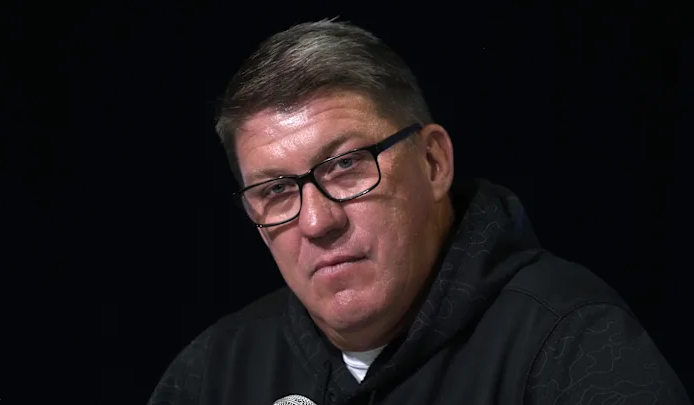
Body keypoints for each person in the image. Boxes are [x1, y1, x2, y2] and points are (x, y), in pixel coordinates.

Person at [148, 20, 690, 405]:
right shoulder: (212, 375)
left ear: (433, 162)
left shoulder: (571, 344)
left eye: (345, 166)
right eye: (275, 190)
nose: (317, 223)